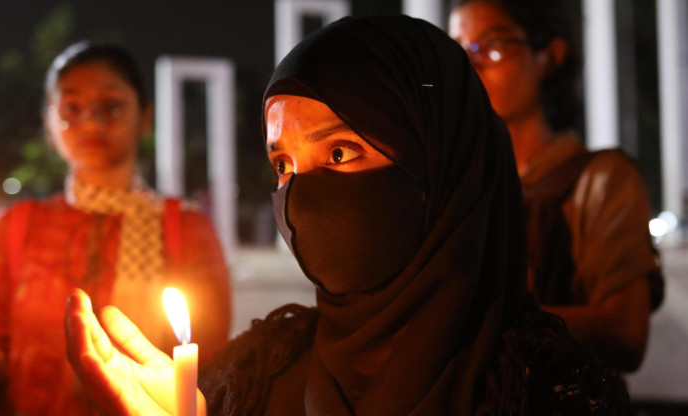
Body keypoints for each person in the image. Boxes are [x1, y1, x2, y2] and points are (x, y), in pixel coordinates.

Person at [65, 16, 628, 415]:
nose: (302, 195)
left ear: (439, 161)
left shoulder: (545, 393)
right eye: (283, 165)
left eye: (338, 152)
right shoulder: (253, 381)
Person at [0, 42, 232, 415]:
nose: (91, 122)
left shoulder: (187, 229)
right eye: (71, 109)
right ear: (49, 124)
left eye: (111, 107)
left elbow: (208, 368)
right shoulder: (15, 227)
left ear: (145, 118)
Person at [448, 0, 664, 373]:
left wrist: (481, 321)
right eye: (459, 51)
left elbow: (626, 334)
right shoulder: (456, 185)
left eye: (492, 46)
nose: (472, 65)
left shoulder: (600, 180)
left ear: (549, 55)